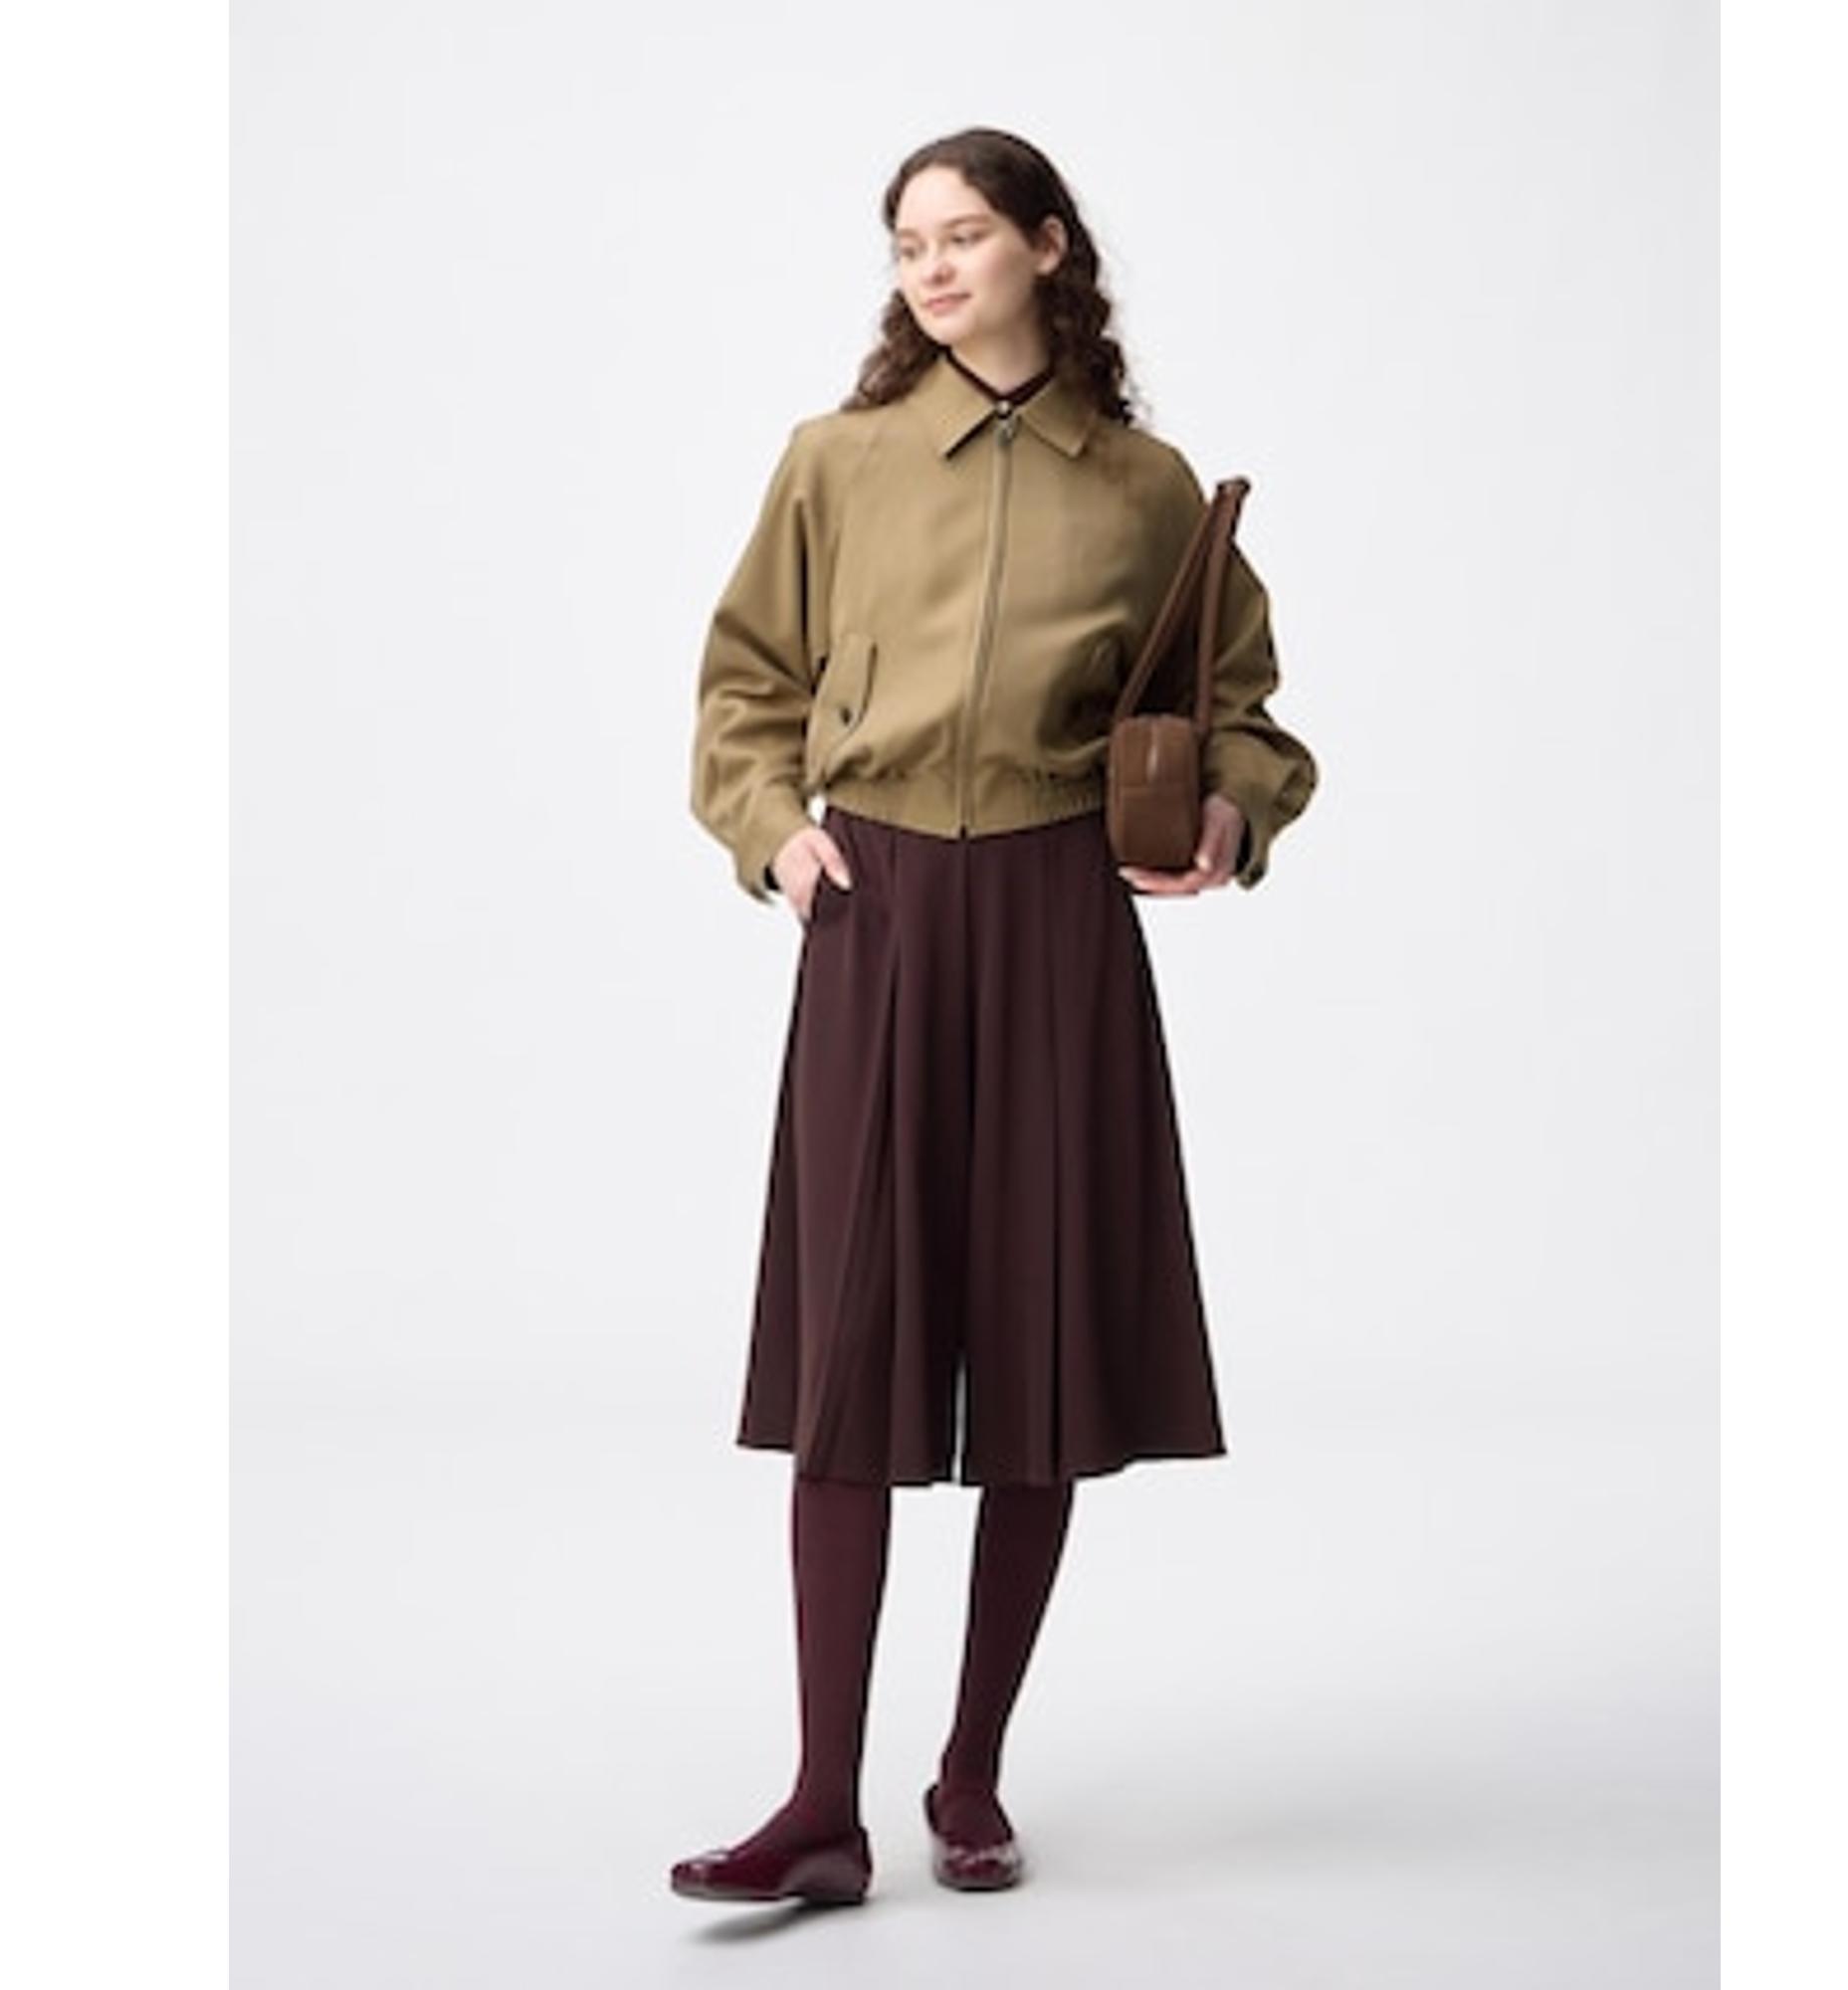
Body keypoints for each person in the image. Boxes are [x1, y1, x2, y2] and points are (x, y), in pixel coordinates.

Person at [670, 126, 1318, 1908]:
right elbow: (746, 683)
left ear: (1047, 246)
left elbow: (1246, 710)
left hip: (1055, 919)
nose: (933, 267)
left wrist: (1230, 815)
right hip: (874, 910)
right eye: (908, 245)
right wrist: (775, 836)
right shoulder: (838, 459)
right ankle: (820, 1805)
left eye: (963, 234)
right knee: (850, 1357)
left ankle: (969, 1772)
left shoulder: (1149, 489)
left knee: (1039, 1345)